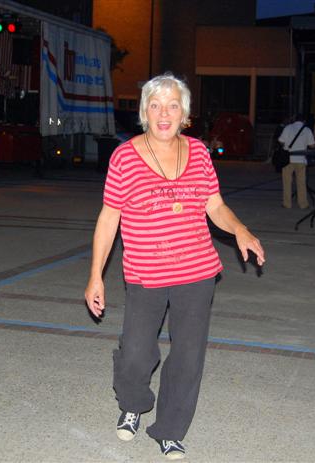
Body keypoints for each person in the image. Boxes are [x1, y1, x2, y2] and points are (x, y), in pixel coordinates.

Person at [84, 73, 265, 460]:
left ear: (184, 113)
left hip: (196, 272)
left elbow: (214, 205)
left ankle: (170, 429)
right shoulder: (125, 156)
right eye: (155, 105)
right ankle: (133, 403)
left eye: (172, 106)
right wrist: (95, 275)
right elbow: (109, 217)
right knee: (136, 354)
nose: (164, 114)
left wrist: (241, 230)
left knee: (187, 356)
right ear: (144, 112)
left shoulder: (199, 152)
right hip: (146, 275)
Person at [278, 114, 315, 209]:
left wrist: (287, 145)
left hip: (288, 159)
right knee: (301, 182)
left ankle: (287, 203)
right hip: (301, 158)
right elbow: (312, 145)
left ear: (294, 120)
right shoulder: (307, 130)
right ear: (304, 121)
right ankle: (303, 204)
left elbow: (281, 141)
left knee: (287, 182)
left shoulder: (288, 128)